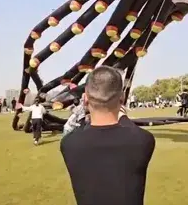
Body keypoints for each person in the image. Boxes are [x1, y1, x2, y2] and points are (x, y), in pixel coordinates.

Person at [60, 66, 155, 205]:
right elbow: (130, 128)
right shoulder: (143, 140)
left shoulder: (69, 143)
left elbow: (81, 128)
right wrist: (123, 116)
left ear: (85, 98)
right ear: (121, 97)